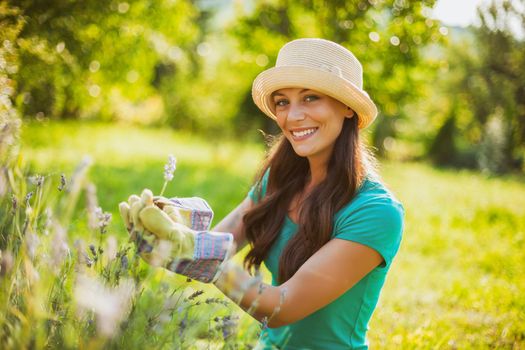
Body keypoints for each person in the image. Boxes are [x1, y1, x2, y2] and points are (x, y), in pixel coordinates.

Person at [119, 38, 404, 349]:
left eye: (310, 98)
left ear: (348, 107)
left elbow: (284, 306)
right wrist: (172, 231)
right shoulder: (280, 179)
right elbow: (220, 245)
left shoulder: (377, 212)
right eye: (282, 102)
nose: (292, 116)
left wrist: (194, 248)